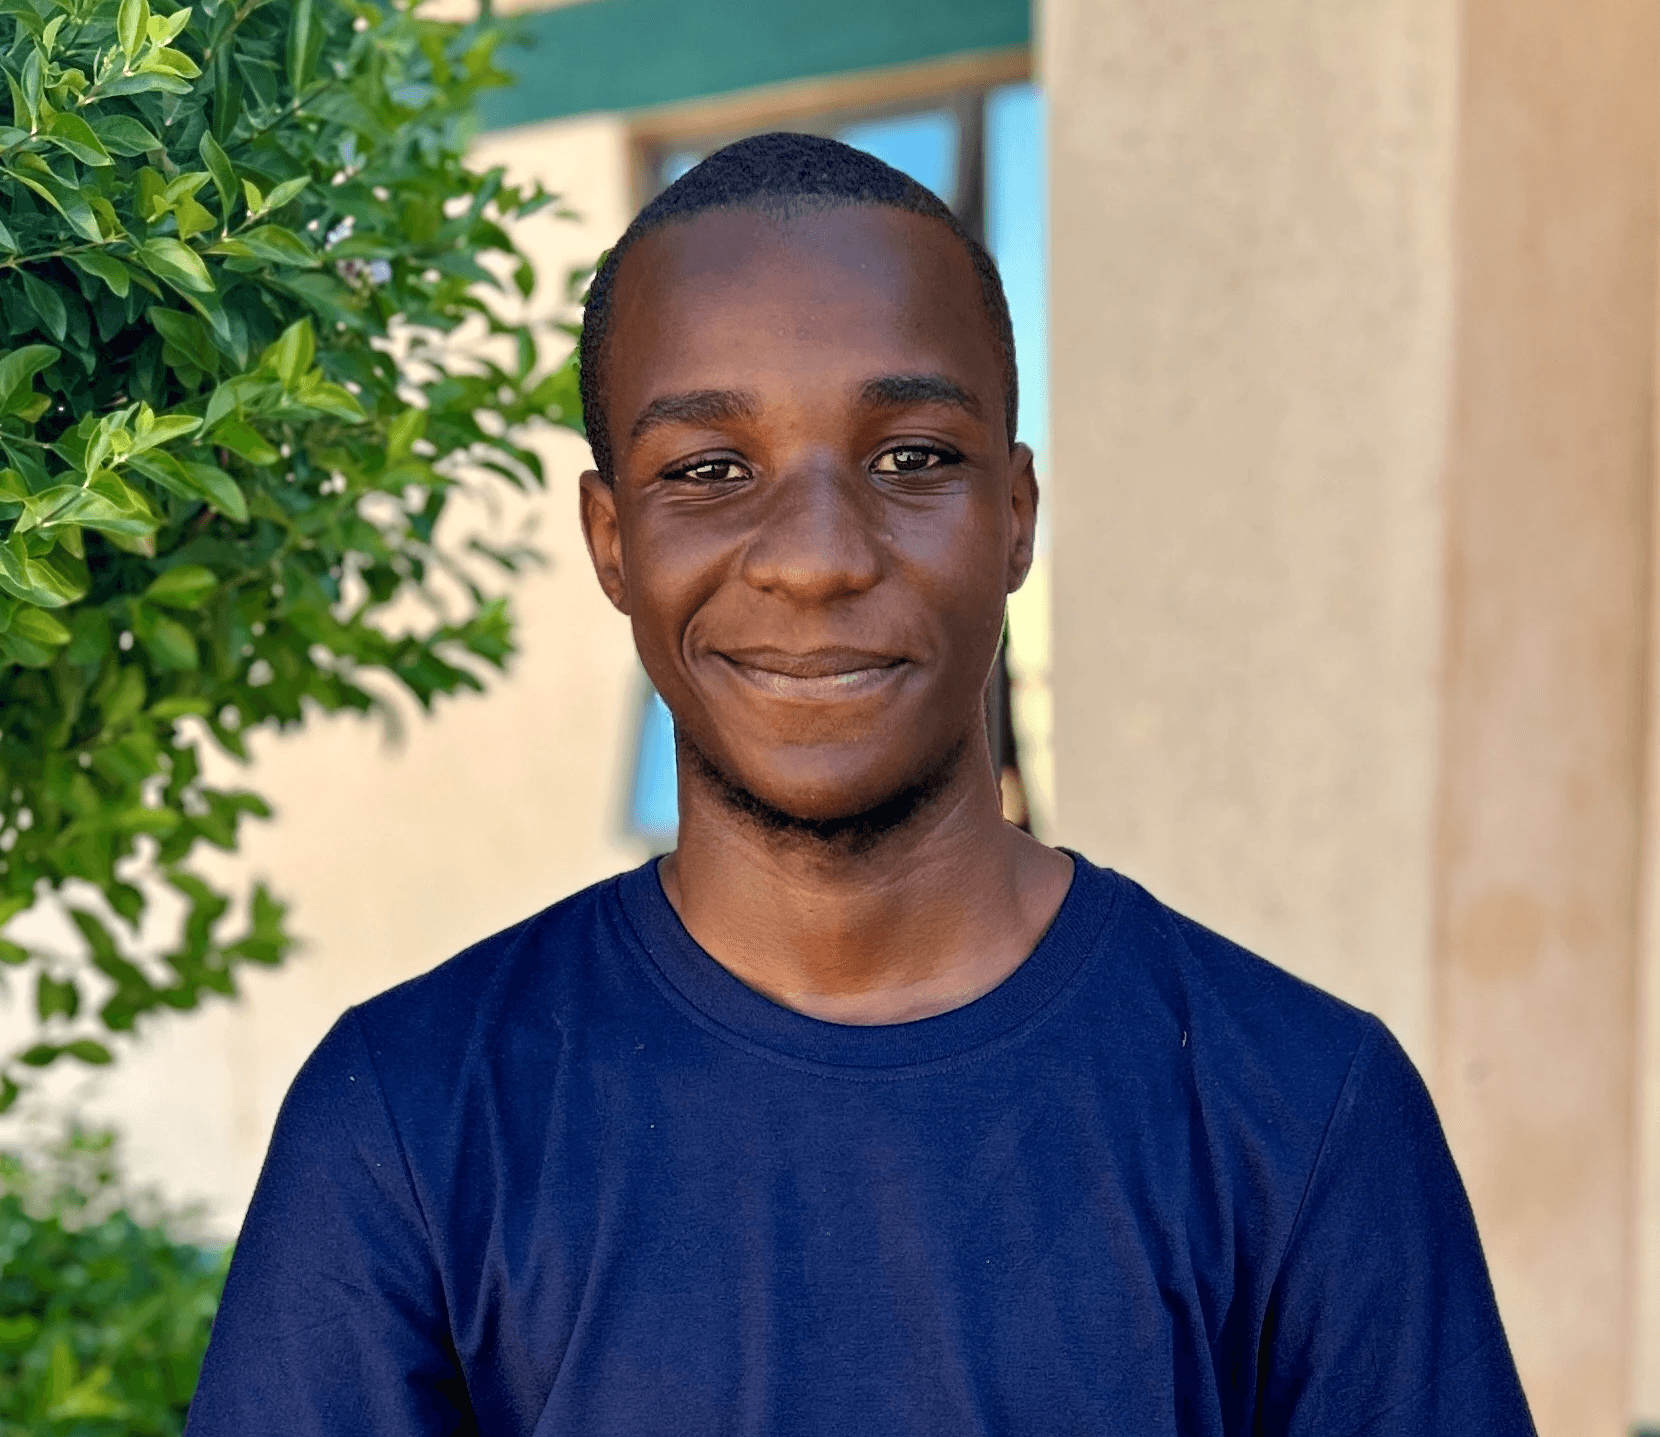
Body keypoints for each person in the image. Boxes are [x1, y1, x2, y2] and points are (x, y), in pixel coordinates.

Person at [186, 133, 1536, 1436]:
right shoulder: (411, 1120)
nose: (818, 558)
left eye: (912, 459)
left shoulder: (1301, 1115)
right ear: (613, 542)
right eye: (710, 471)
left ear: (1015, 514)